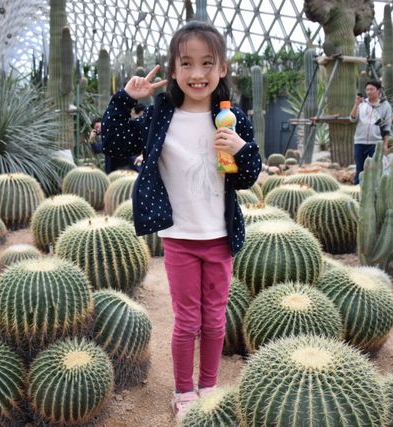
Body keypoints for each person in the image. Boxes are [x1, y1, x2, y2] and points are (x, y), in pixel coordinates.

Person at [101, 21, 261, 422]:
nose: (197, 73)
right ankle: (184, 392)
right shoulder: (161, 116)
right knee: (188, 320)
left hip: (220, 236)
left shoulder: (231, 118)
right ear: (173, 69)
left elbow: (247, 176)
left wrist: (240, 148)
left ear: (222, 68)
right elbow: (114, 144)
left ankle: (209, 386)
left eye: (207, 63)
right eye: (186, 63)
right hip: (180, 238)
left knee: (215, 319)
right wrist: (125, 99)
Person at [349, 80, 392, 184]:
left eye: (371, 89)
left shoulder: (385, 106)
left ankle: (376, 191)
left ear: (378, 90)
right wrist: (356, 104)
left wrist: (385, 145)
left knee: (377, 170)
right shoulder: (362, 104)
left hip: (376, 143)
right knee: (360, 170)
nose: (368, 92)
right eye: (367, 89)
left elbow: (387, 127)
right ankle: (358, 190)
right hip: (359, 142)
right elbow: (352, 119)